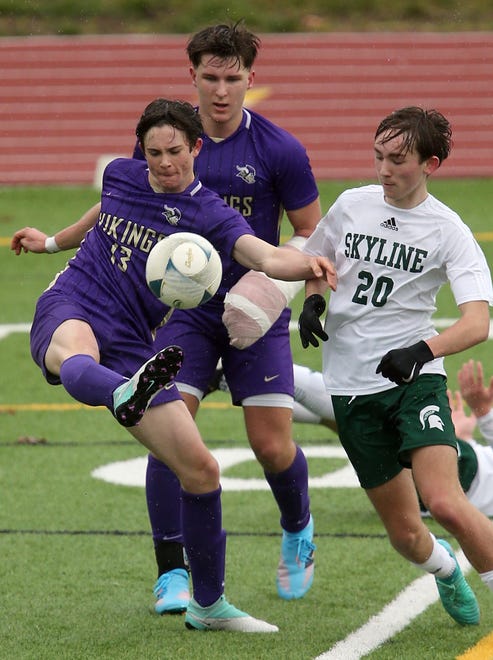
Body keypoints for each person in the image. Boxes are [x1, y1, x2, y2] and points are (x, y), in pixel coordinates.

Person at [11, 22, 325, 612]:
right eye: (211, 77)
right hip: (187, 310)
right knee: (169, 428)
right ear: (194, 77)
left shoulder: (279, 150)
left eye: (234, 78)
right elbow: (119, 200)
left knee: (272, 445)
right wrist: (55, 243)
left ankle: (297, 526)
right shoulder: (165, 137)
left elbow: (307, 226)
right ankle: (173, 572)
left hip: (253, 307)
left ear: (250, 80)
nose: (222, 90)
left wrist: (290, 285)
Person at [297, 105, 493, 626]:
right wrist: (313, 300)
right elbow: (318, 265)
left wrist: (421, 352)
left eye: (398, 159)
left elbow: (477, 323)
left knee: (446, 503)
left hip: (414, 382)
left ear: (431, 163)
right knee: (407, 536)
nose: (383, 169)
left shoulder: (449, 230)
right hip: (350, 387)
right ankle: (446, 569)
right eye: (378, 156)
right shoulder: (351, 205)